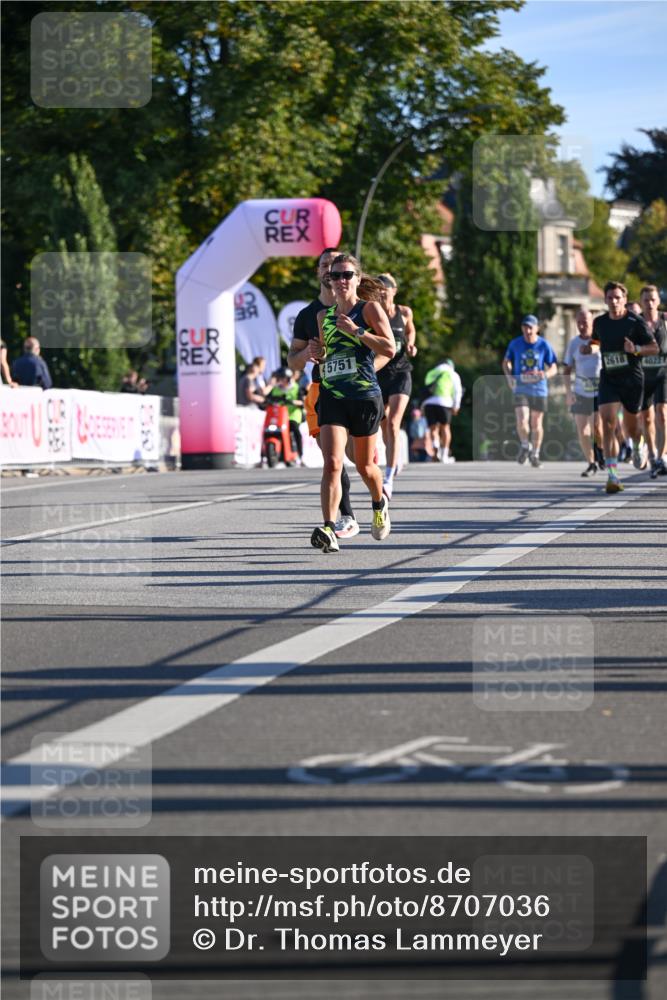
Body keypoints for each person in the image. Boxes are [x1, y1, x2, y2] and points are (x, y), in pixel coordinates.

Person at [310, 253, 395, 553]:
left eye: (347, 275)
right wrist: (318, 353)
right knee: (332, 463)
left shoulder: (368, 309)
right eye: (335, 275)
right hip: (332, 395)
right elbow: (326, 354)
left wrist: (358, 331)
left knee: (364, 467)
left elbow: (390, 347)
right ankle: (329, 528)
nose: (341, 280)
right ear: (329, 281)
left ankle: (379, 502)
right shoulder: (323, 317)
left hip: (364, 397)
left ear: (357, 279)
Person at [287, 248, 360, 539]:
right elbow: (292, 361)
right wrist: (306, 352)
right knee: (332, 459)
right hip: (322, 390)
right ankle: (345, 517)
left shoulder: (360, 309)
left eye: (335, 265)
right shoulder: (307, 315)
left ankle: (377, 496)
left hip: (356, 389)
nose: (330, 270)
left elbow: (383, 348)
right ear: (319, 272)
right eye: (324, 265)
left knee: (359, 459)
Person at [583, 281, 658, 493]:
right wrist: (590, 348)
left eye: (618, 298)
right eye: (610, 298)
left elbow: (654, 348)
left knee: (632, 429)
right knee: (608, 422)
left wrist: (636, 349)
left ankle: (638, 444)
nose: (614, 301)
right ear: (605, 300)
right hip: (609, 378)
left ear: (624, 299)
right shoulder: (600, 322)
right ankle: (613, 476)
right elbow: (596, 341)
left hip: (632, 380)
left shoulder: (636, 322)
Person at [374, 273, 417, 498]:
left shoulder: (404, 312)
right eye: (378, 290)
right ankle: (395, 457)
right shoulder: (372, 314)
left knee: (393, 422)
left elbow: (410, 329)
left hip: (401, 373)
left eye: (385, 290)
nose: (382, 294)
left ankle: (388, 478)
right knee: (384, 426)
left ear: (394, 291)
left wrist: (411, 344)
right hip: (380, 374)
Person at [502, 315, 558, 468]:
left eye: (530, 327)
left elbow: (554, 367)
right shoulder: (515, 344)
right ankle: (525, 445)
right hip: (521, 388)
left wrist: (544, 374)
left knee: (536, 423)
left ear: (537, 328)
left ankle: (535, 454)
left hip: (539, 389)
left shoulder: (544, 345)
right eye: (525, 327)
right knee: (522, 419)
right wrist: (509, 377)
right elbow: (506, 362)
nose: (528, 331)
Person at [563, 308, 603, 476]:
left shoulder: (600, 340)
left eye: (585, 322)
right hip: (580, 391)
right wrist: (568, 392)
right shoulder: (573, 343)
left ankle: (601, 451)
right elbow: (566, 370)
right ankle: (591, 463)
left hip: (599, 391)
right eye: (578, 322)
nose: (581, 326)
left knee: (597, 428)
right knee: (582, 430)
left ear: (592, 322)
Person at [638, 284, 667, 478]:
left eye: (653, 299)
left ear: (658, 301)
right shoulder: (635, 323)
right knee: (647, 418)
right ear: (641, 302)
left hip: (663, 373)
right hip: (642, 376)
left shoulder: (665, 320)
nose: (650, 303)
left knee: (662, 414)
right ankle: (651, 452)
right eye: (646, 300)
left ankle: (662, 456)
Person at [266, 367, 305, 464]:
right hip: (279, 417)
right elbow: (268, 400)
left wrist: (291, 401)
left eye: (282, 378)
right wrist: (266, 402)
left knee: (295, 430)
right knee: (268, 431)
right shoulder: (275, 389)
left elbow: (302, 402)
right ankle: (264, 456)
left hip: (293, 415)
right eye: (279, 378)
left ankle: (300, 455)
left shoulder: (296, 387)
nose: (281, 380)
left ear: (288, 378)